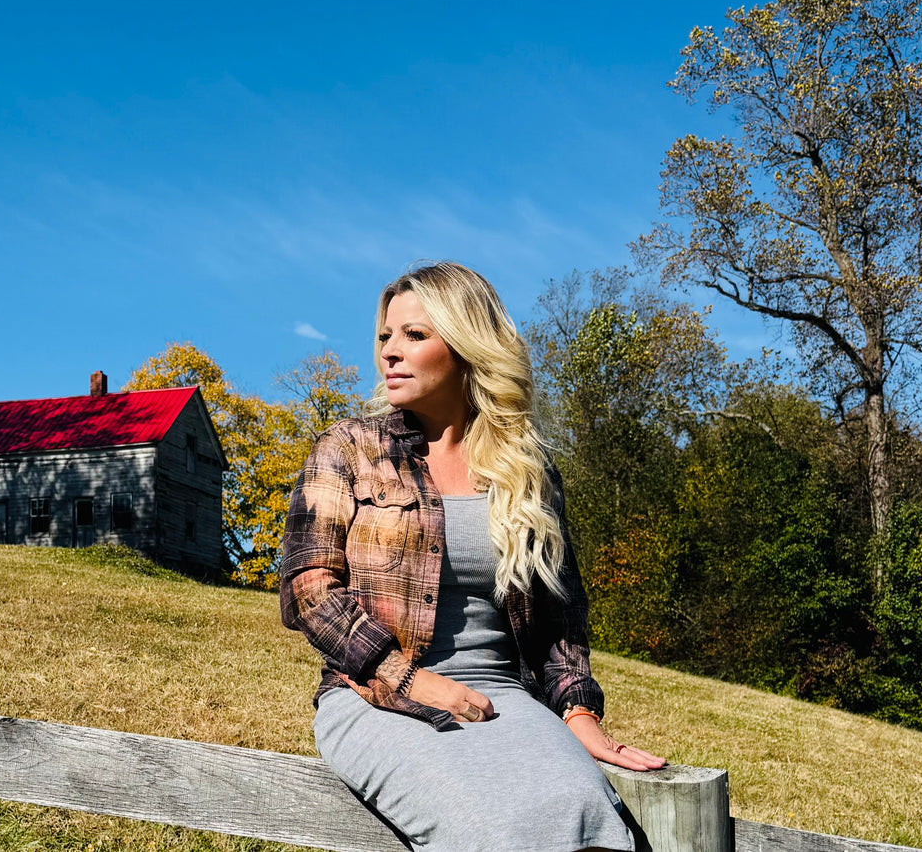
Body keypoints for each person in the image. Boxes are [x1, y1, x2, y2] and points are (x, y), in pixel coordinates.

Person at [280, 262, 665, 852]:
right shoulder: (349, 448)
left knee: (588, 820)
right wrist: (411, 679)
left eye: (414, 335)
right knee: (494, 833)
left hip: (505, 699)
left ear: (466, 347)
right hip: (375, 697)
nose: (390, 351)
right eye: (385, 335)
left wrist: (578, 713)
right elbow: (308, 590)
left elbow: (559, 613)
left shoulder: (525, 469)